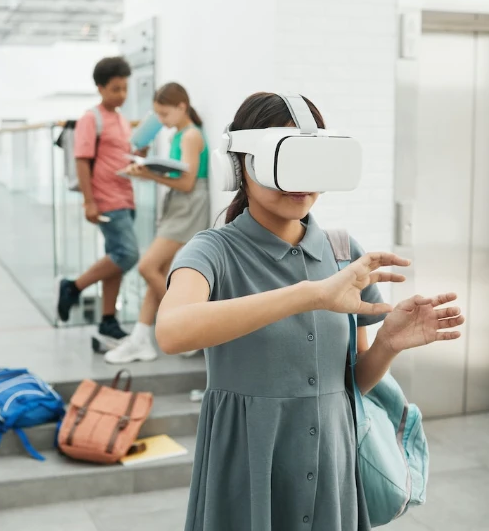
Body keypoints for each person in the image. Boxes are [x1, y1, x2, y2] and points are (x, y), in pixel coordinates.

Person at [156, 92, 464, 531]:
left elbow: (350, 383)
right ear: (240, 164)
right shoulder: (212, 251)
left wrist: (388, 344)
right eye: (284, 159)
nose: (300, 181)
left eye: (312, 160)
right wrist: (311, 295)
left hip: (331, 469)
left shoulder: (344, 252)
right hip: (249, 468)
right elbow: (170, 332)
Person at [104, 82, 210, 365]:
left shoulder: (190, 137)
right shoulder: (179, 134)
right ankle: (141, 338)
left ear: (181, 108)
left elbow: (187, 183)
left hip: (188, 206)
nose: (161, 121)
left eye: (164, 114)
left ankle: (188, 323)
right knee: (159, 270)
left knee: (148, 267)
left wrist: (148, 175)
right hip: (179, 205)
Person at [56, 57, 141, 353]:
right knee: (128, 254)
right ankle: (74, 286)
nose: (121, 95)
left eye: (125, 88)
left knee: (115, 259)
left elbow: (126, 155)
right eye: (115, 89)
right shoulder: (91, 118)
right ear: (100, 88)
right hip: (106, 199)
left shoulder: (121, 119)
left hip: (126, 196)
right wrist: (89, 202)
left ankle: (108, 319)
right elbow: (81, 160)